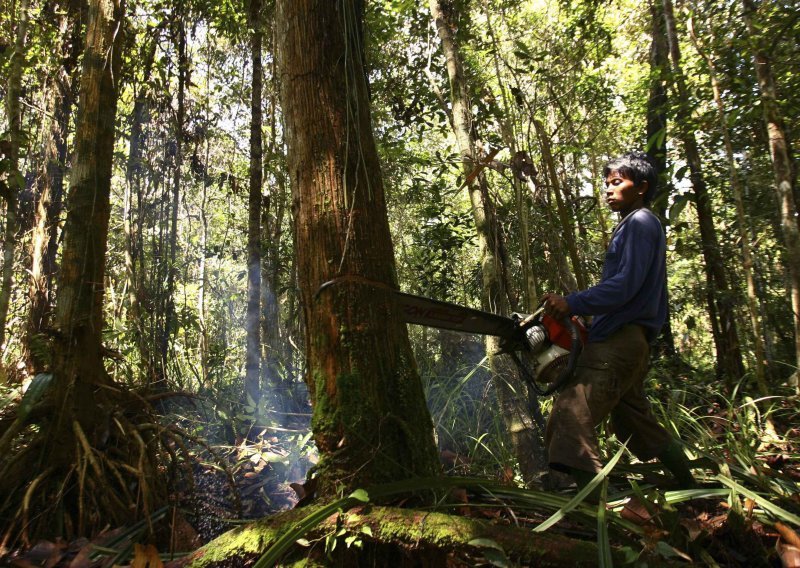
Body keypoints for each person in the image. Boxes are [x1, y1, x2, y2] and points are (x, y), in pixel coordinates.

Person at [541, 150, 695, 495]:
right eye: (606, 184)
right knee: (636, 422)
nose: (608, 190)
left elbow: (625, 285)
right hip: (629, 342)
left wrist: (574, 301)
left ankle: (597, 510)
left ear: (641, 187)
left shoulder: (640, 222)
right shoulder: (634, 224)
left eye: (616, 182)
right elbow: (627, 288)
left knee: (569, 414)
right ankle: (691, 487)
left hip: (620, 344)